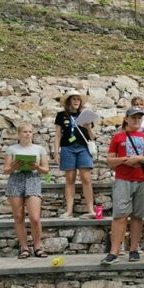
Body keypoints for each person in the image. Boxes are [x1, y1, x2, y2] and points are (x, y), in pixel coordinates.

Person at [101, 107, 144, 265]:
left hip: (142, 180)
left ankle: (133, 249)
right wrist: (125, 160)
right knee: (119, 216)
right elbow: (110, 161)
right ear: (126, 119)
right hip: (123, 179)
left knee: (137, 216)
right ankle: (114, 251)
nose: (136, 120)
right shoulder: (118, 137)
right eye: (133, 117)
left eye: (139, 118)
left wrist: (138, 159)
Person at [4, 123, 50, 259]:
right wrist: (13, 167)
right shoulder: (11, 149)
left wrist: (37, 167)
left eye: (30, 131)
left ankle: (38, 247)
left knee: (35, 218)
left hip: (33, 179)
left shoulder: (39, 149)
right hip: (16, 179)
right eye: (24, 131)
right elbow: (5, 170)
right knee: (18, 216)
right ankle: (24, 248)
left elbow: (46, 170)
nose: (28, 134)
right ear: (19, 134)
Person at [52, 91, 96, 219]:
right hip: (67, 148)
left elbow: (93, 137)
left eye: (78, 99)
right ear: (68, 101)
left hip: (83, 147)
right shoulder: (61, 115)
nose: (76, 101)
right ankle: (69, 211)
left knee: (86, 178)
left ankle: (91, 210)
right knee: (70, 179)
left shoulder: (85, 114)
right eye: (74, 99)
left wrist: (88, 127)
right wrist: (56, 152)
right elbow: (58, 135)